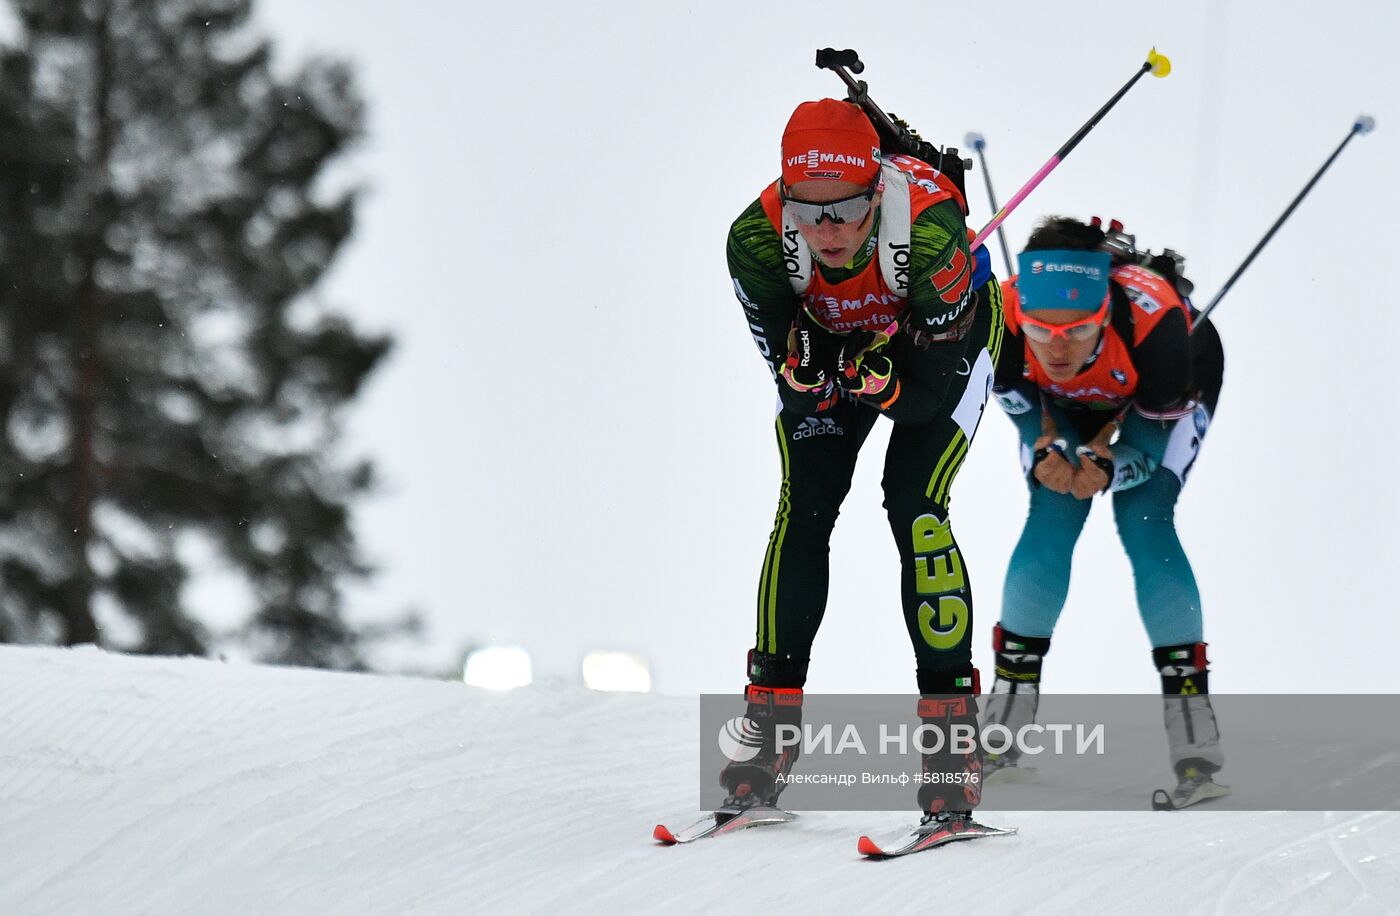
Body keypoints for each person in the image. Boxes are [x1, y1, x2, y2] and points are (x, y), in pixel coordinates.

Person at [720, 98, 1003, 826]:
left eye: (844, 209)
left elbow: (923, 401)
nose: (827, 231)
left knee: (914, 500)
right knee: (805, 503)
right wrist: (805, 370)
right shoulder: (755, 241)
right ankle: (769, 733)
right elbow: (789, 373)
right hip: (847, 341)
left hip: (945, 352)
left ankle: (951, 743)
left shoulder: (932, 235)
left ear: (877, 191)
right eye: (807, 213)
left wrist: (886, 378)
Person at [981, 215, 1228, 807]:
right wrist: (1047, 447)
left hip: (1157, 387)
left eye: (1078, 329)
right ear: (1022, 316)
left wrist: (1112, 468)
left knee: (1145, 521)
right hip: (1060, 408)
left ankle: (1196, 741)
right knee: (1053, 509)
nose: (1058, 346)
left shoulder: (1162, 335)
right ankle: (1000, 735)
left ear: (1104, 314)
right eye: (1042, 330)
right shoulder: (998, 322)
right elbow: (1023, 406)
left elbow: (1142, 452)